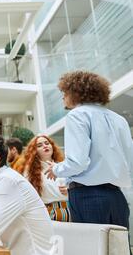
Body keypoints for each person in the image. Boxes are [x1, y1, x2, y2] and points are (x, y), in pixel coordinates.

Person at [45, 71, 132, 230]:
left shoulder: (77, 115)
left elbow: (78, 162)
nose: (62, 97)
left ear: (76, 92)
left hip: (88, 197)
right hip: (117, 196)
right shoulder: (120, 120)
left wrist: (57, 169)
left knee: (93, 252)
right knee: (120, 251)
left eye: (64, 92)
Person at [19, 135, 70, 222]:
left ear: (52, 146)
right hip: (49, 214)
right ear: (34, 152)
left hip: (71, 210)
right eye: (39, 145)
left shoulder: (63, 166)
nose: (45, 146)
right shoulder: (30, 172)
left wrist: (70, 190)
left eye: (47, 143)